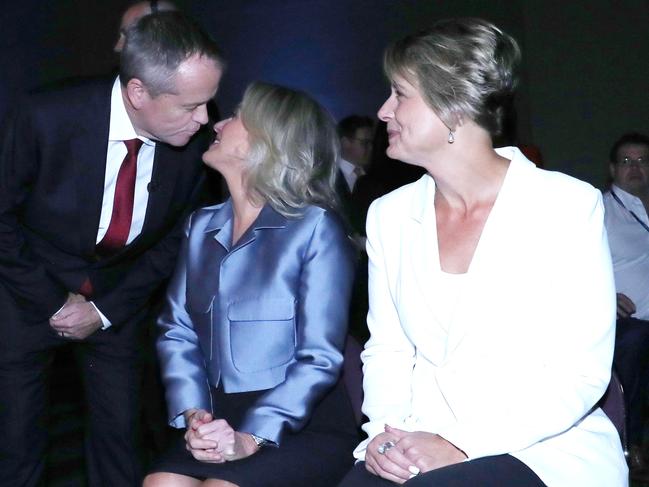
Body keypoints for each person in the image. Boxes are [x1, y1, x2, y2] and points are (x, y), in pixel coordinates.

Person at [339, 18, 628, 487]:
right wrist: (386, 437)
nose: (384, 111)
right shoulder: (389, 215)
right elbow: (388, 350)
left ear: (452, 106)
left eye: (400, 94)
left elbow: (580, 372)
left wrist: (461, 444)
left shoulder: (565, 205)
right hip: (419, 436)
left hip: (542, 446)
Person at [0, 12, 223, 487]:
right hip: (25, 296)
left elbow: (177, 239)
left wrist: (102, 309)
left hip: (117, 300)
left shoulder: (194, 137)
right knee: (16, 443)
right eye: (190, 106)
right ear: (138, 93)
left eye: (208, 103)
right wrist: (52, 301)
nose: (205, 119)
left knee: (119, 441)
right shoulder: (44, 116)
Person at [144, 82, 358, 487]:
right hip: (218, 412)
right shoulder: (202, 225)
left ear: (266, 140)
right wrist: (195, 415)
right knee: (161, 483)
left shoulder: (314, 227)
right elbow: (176, 331)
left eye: (237, 116)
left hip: (301, 419)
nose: (218, 122)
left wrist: (252, 436)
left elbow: (320, 357)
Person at [603, 132, 649, 472]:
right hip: (627, 326)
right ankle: (627, 447)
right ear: (612, 169)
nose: (635, 168)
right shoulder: (600, 209)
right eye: (627, 162)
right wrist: (603, 294)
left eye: (643, 161)